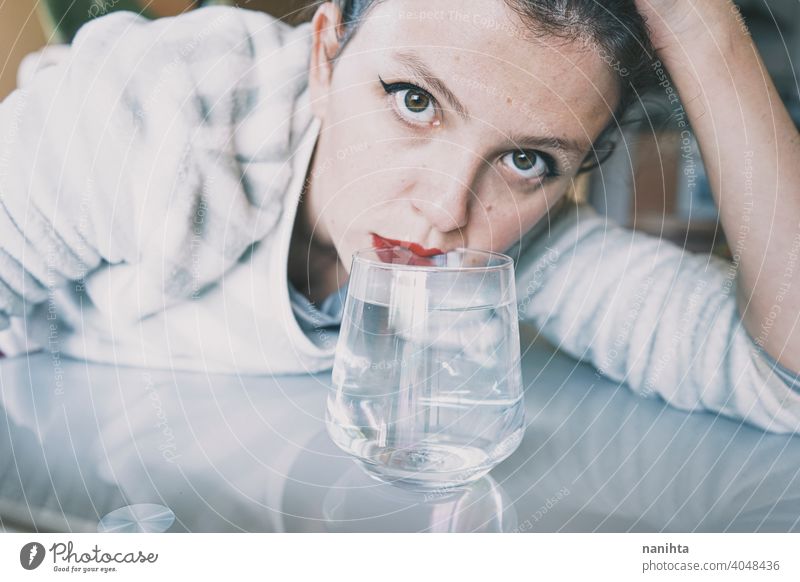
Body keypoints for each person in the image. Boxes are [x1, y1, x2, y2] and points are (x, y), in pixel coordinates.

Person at [0, 0, 797, 432]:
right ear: (326, 55)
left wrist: (705, 28)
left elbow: (783, 378)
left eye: (528, 160)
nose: (446, 212)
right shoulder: (159, 116)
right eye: (414, 101)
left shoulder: (519, 244)